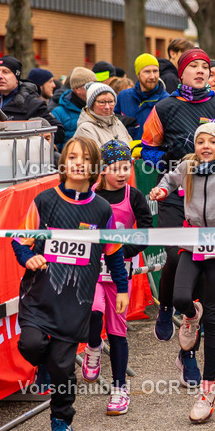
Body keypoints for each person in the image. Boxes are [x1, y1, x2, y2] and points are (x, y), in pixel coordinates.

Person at [12, 137, 129, 431]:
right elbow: (18, 241)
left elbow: (114, 253)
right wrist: (29, 257)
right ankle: (44, 367)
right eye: (73, 156)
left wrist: (122, 288)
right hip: (39, 296)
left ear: (95, 169)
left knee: (64, 366)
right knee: (30, 344)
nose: (79, 162)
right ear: (63, 164)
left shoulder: (102, 210)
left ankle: (61, 421)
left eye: (86, 158)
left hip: (75, 302)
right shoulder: (44, 201)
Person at [141, 48, 215, 349]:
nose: (201, 71)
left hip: (210, 199)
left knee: (203, 265)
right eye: (193, 67)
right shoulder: (165, 106)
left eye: (205, 67)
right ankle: (166, 306)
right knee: (175, 255)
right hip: (176, 193)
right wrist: (172, 160)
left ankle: (189, 315)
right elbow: (148, 147)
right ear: (181, 72)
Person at [149, 123, 215, 423]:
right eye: (200, 140)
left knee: (214, 318)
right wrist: (161, 190)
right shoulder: (188, 165)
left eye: (212, 141)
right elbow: (170, 180)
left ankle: (208, 389)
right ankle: (190, 315)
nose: (205, 145)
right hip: (192, 240)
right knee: (181, 297)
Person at [82, 140, 152, 416]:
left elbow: (146, 231)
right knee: (93, 310)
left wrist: (124, 252)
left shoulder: (134, 196)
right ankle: (93, 346)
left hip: (120, 270)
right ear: (102, 170)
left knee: (117, 329)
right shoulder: (90, 195)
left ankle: (120, 389)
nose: (122, 173)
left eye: (126, 167)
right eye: (115, 168)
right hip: (91, 268)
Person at [0, 56, 64, 142]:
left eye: (6, 72)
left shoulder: (33, 105)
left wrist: (34, 136)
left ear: (17, 77)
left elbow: (59, 131)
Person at [116, 53, 169, 141]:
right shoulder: (123, 97)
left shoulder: (167, 101)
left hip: (154, 153)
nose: (152, 76)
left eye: (155, 71)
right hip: (127, 152)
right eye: (147, 72)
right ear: (138, 74)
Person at [74, 82, 133, 148]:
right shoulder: (85, 129)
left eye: (111, 102)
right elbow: (96, 156)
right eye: (102, 102)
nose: (107, 107)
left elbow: (130, 147)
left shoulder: (118, 123)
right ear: (91, 105)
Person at [51, 67, 96, 149]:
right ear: (77, 89)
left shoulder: (98, 109)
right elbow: (55, 146)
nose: (94, 89)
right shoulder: (58, 113)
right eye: (90, 86)